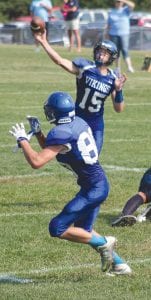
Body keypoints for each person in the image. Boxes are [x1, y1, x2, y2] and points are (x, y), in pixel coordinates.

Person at [9, 91, 132, 276]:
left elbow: (37, 162)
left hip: (93, 189)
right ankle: (120, 265)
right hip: (96, 185)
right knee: (83, 231)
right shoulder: (77, 123)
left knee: (57, 227)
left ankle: (105, 242)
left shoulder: (62, 133)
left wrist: (23, 140)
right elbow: (54, 149)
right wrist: (39, 133)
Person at [32, 31, 127, 155]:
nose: (100, 55)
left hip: (96, 123)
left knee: (92, 158)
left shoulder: (113, 78)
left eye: (104, 53)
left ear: (111, 58)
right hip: (77, 118)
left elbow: (119, 109)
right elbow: (60, 61)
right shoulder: (85, 68)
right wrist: (44, 42)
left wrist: (118, 90)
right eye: (99, 51)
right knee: (63, 150)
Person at [107, 0, 135, 73]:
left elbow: (132, 5)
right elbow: (109, 24)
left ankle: (129, 67)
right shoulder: (111, 11)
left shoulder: (126, 10)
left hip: (124, 34)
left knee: (125, 50)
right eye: (117, 1)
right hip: (113, 34)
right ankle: (117, 68)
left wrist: (123, 0)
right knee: (116, 52)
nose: (118, 3)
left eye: (120, 2)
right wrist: (106, 33)